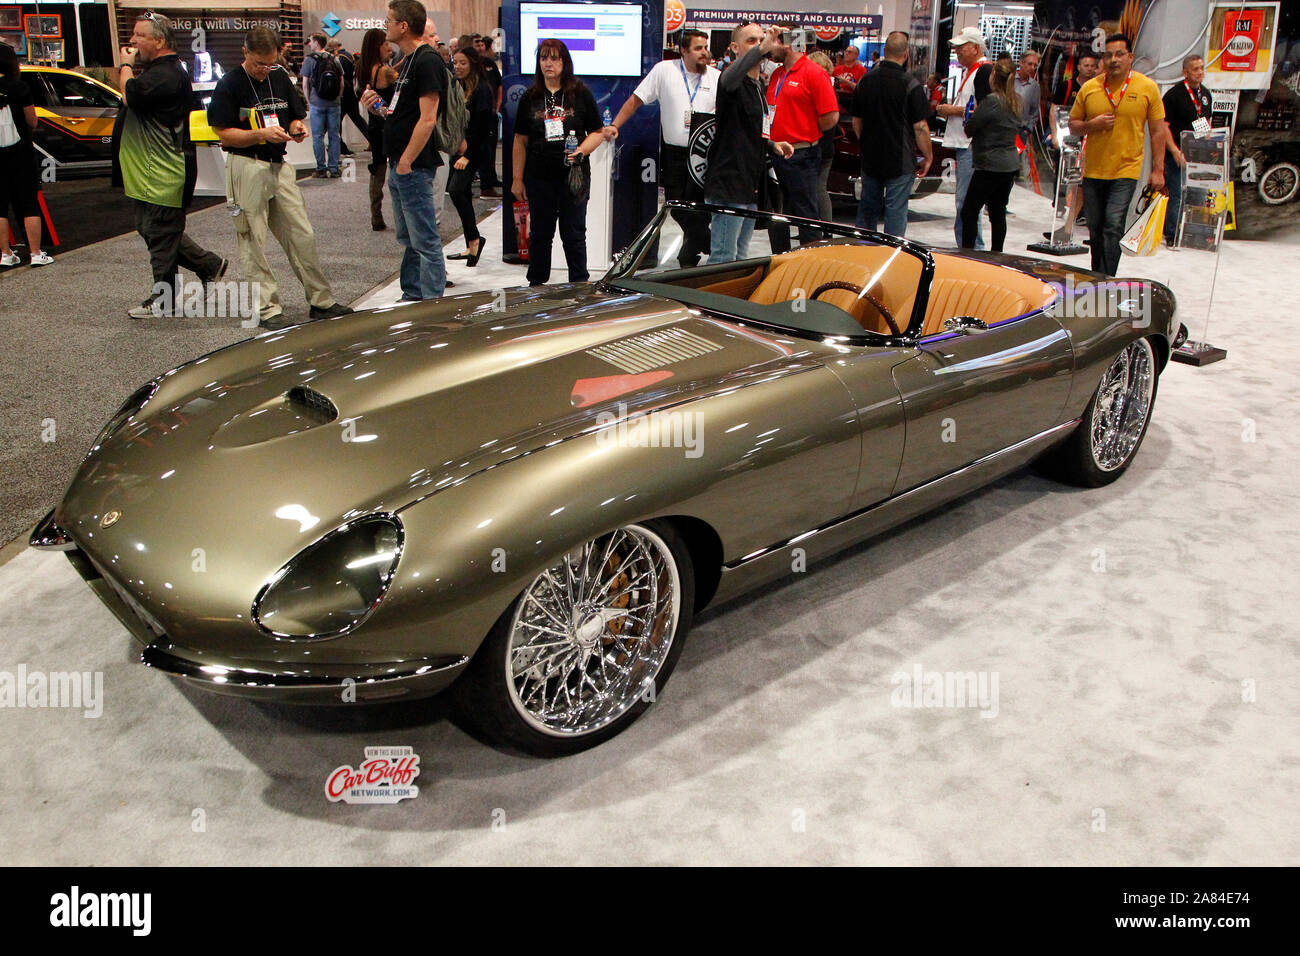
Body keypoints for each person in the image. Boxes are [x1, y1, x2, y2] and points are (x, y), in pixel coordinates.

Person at [207, 27, 352, 329]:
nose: (264, 70)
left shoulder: (279, 79)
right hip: (246, 166)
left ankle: (320, 300)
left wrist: (297, 127)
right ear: (245, 53)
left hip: (279, 165)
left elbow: (295, 113)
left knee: (302, 234)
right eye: (259, 63)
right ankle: (267, 307)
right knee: (252, 240)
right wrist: (260, 134)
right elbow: (223, 133)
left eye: (270, 63)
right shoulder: (229, 84)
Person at [112, 14, 226, 320]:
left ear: (159, 41)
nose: (132, 42)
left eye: (139, 36)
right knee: (153, 229)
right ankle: (208, 265)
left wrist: (124, 66)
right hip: (149, 172)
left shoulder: (166, 74)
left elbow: (130, 94)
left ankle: (165, 298)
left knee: (161, 234)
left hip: (164, 171)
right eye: (133, 35)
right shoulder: (159, 71)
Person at [604, 28, 719, 268]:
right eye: (698, 48)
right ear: (683, 51)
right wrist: (615, 124)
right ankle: (710, 241)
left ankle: (688, 256)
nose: (704, 53)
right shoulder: (664, 71)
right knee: (677, 206)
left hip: (705, 153)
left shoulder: (715, 77)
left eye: (705, 48)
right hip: (674, 153)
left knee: (699, 209)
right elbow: (635, 99)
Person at [361, 0, 447, 301]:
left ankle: (431, 303)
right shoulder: (408, 60)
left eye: (389, 20)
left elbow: (427, 118)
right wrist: (380, 108)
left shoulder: (427, 61)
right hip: (399, 162)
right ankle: (412, 295)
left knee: (425, 240)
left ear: (404, 26)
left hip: (413, 166)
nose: (386, 25)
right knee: (409, 238)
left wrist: (407, 162)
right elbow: (406, 113)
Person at [1069, 33, 1166, 276]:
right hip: (1093, 170)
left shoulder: (1147, 88)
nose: (1114, 59)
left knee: (1113, 225)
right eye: (1108, 55)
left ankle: (1107, 279)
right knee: (1096, 227)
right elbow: (1073, 124)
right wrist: (1093, 125)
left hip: (1126, 169)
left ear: (1130, 57)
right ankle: (1097, 276)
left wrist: (1158, 170)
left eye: (1119, 54)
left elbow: (1157, 131)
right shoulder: (1090, 88)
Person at [511, 39, 605, 286]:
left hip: (573, 175)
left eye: (554, 58)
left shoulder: (580, 93)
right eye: (543, 58)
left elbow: (598, 131)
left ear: (565, 62)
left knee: (573, 232)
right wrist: (517, 179)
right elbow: (520, 140)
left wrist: (582, 152)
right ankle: (537, 284)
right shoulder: (530, 97)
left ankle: (579, 284)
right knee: (540, 233)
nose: (548, 64)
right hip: (539, 175)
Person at [705, 24, 795, 262]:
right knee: (724, 257)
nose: (758, 45)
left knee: (742, 256)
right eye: (751, 41)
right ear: (734, 47)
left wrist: (772, 144)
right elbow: (730, 77)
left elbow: (750, 130)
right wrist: (763, 47)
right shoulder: (730, 81)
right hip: (729, 184)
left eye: (760, 40)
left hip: (750, 185)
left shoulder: (757, 86)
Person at [765, 24, 839, 251]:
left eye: (777, 39)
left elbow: (831, 116)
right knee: (776, 214)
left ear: (790, 42)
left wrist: (804, 129)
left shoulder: (814, 73)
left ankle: (810, 263)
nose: (771, 45)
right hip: (774, 151)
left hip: (801, 154)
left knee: (806, 214)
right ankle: (780, 260)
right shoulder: (777, 74)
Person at [850, 30, 931, 237]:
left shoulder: (864, 81)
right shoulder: (911, 85)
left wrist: (865, 143)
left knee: (867, 209)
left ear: (884, 51)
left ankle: (863, 252)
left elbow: (856, 121)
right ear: (906, 54)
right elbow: (920, 126)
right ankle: (892, 257)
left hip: (871, 158)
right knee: (895, 213)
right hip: (900, 160)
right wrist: (928, 156)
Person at [935, 27, 992, 249]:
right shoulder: (975, 71)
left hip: (971, 145)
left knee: (966, 202)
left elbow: (985, 109)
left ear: (975, 48)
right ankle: (968, 247)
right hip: (966, 144)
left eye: (961, 47)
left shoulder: (983, 72)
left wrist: (952, 110)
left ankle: (971, 250)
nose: (957, 51)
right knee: (966, 201)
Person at [960, 59, 1021, 251]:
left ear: (994, 77)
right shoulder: (1017, 100)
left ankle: (968, 254)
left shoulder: (992, 101)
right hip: (1009, 165)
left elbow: (970, 128)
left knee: (969, 211)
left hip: (989, 165)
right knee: (997, 212)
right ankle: (997, 255)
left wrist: (972, 115)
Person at [0, 44, 50, 267]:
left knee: (0, 205)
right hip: (20, 151)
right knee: (29, 202)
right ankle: (36, 253)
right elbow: (32, 121)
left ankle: (5, 254)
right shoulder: (20, 87)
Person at [445, 47, 492, 265]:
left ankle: (474, 240)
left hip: (474, 151)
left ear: (473, 63)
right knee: (461, 192)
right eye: (455, 63)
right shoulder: (459, 87)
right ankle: (471, 244)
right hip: (459, 148)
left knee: (455, 190)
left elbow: (482, 128)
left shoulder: (482, 89)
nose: (458, 67)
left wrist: (468, 156)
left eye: (463, 63)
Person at [1162, 54, 1212, 246]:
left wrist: (1208, 145)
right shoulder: (1174, 95)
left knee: (1197, 195)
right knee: (1177, 194)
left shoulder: (1206, 94)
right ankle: (1172, 234)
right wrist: (1174, 151)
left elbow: (1205, 121)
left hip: (1197, 154)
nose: (1200, 72)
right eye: (1195, 69)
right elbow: (1163, 126)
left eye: (1201, 68)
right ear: (1185, 72)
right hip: (1177, 153)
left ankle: (1191, 232)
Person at [357, 27, 397, 230]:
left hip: (374, 125)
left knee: (378, 169)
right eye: (386, 44)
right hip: (390, 125)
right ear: (378, 46)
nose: (389, 47)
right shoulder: (385, 71)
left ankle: (376, 215)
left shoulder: (362, 68)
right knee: (397, 166)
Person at [300, 33, 343, 178]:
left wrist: (309, 101)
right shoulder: (335, 59)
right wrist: (337, 97)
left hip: (316, 103)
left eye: (311, 42)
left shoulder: (309, 61)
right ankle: (334, 168)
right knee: (334, 136)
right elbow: (341, 83)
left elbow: (305, 84)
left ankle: (321, 169)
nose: (309, 44)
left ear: (317, 43)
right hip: (334, 103)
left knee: (318, 136)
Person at [808, 52, 837, 222]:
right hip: (823, 147)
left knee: (819, 189)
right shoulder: (828, 88)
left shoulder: (823, 89)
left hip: (820, 147)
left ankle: (826, 229)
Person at [475, 34, 503, 195]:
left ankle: (491, 178)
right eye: (476, 45)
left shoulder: (490, 64)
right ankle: (485, 185)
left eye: (481, 45)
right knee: (482, 148)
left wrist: (497, 106)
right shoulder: (473, 66)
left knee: (491, 147)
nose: (480, 48)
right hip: (478, 113)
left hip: (491, 112)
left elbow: (499, 85)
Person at [327, 38, 366, 151]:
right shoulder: (349, 56)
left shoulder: (341, 59)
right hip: (351, 94)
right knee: (356, 118)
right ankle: (374, 141)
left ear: (334, 48)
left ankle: (339, 146)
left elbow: (341, 78)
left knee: (338, 120)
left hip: (344, 95)